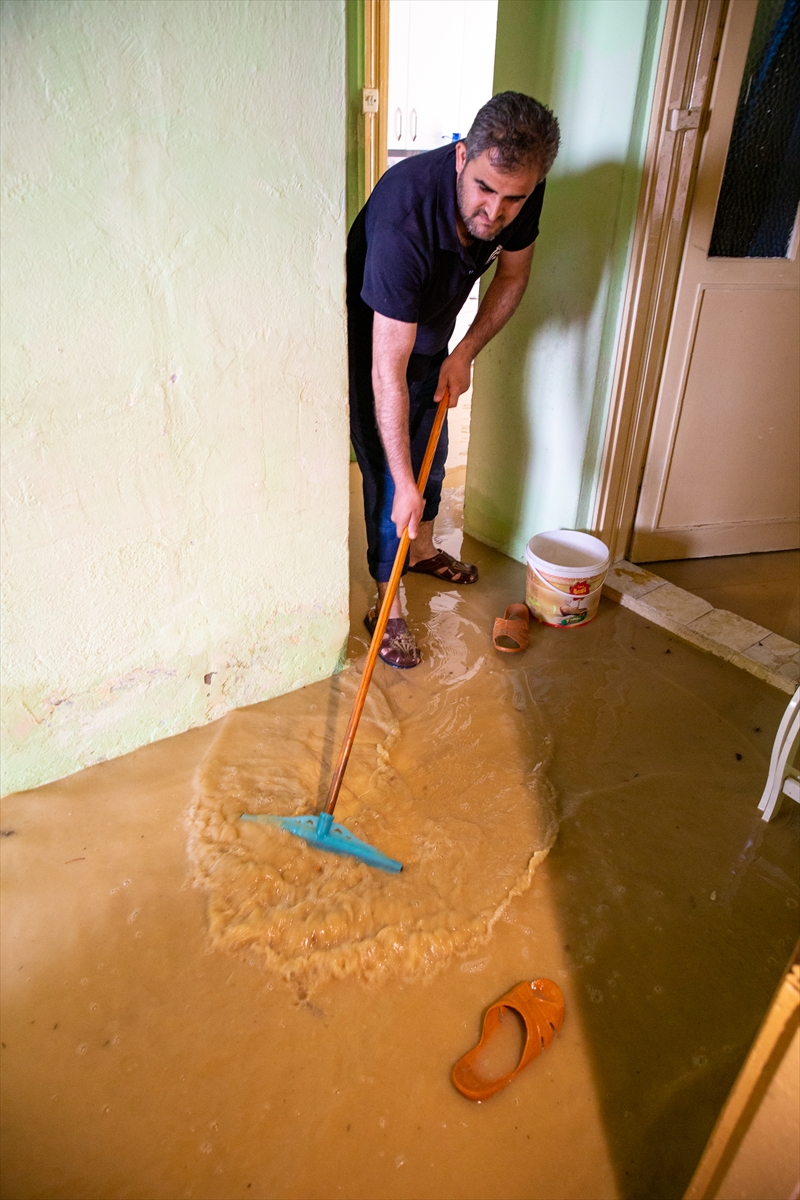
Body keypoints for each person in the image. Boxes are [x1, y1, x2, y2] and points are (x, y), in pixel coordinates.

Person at [347, 91, 560, 668]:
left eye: (512, 199)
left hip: (438, 322)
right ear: (462, 156)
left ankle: (419, 552)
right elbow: (386, 369)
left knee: (433, 442)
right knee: (392, 471)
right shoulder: (404, 218)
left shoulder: (521, 190)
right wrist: (401, 479)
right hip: (379, 328)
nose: (495, 213)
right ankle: (385, 607)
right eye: (485, 190)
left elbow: (513, 276)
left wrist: (464, 350)